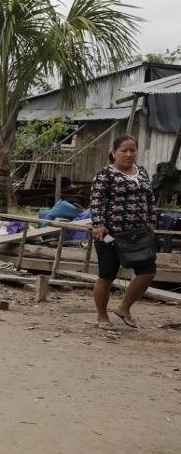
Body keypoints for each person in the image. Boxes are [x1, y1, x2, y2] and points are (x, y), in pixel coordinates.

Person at [90, 134, 157, 329]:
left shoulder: (142, 172)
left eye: (132, 150)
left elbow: (150, 199)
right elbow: (96, 201)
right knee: (107, 273)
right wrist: (98, 224)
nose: (128, 154)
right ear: (114, 152)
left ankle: (124, 308)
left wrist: (151, 223)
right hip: (109, 234)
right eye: (124, 150)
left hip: (137, 234)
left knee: (148, 271)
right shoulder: (105, 174)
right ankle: (102, 316)